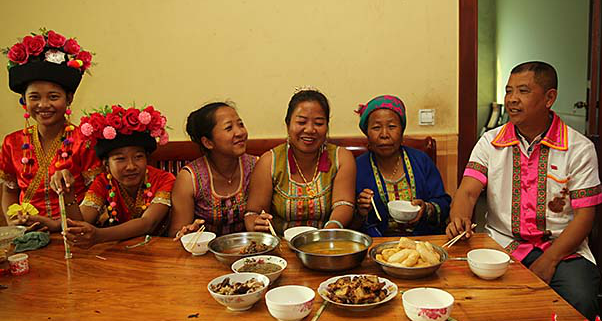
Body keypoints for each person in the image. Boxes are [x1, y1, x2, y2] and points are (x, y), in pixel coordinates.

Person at [446, 61, 602, 321]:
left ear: (549, 98)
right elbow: (468, 192)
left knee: (579, 299)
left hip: (563, 250)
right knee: (476, 299)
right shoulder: (490, 142)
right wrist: (458, 218)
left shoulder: (579, 148)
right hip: (502, 244)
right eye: (508, 91)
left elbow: (585, 217)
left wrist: (550, 260)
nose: (512, 100)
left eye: (523, 91)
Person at [0, 29, 101, 232]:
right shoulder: (12, 142)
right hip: (27, 231)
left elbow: (96, 194)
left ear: (69, 98)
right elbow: (10, 191)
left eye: (53, 97)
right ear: (24, 100)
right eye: (34, 97)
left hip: (75, 231)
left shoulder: (84, 140)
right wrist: (13, 220)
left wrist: (58, 224)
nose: (43, 105)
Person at [53, 105, 175, 248]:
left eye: (138, 157)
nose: (131, 166)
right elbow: (81, 224)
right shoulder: (104, 181)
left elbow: (148, 223)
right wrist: (68, 193)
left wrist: (99, 235)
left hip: (161, 250)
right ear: (106, 164)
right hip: (121, 251)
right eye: (120, 159)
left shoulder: (164, 179)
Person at [245, 89, 356, 234]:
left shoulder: (341, 157)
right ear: (288, 124)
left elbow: (343, 203)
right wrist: (256, 223)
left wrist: (329, 231)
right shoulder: (269, 162)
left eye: (319, 123)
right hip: (281, 244)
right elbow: (252, 213)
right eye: (301, 122)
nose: (310, 129)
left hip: (326, 240)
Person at [353, 95, 451, 237]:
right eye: (376, 127)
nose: (384, 134)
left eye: (392, 127)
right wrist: (360, 213)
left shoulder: (421, 160)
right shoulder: (357, 168)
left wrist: (427, 209)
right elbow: (349, 223)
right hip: (377, 244)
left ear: (402, 130)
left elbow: (443, 203)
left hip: (422, 242)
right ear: (367, 133)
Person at [170, 102, 257, 238]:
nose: (240, 132)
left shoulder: (256, 166)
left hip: (249, 247)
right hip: (205, 249)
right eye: (229, 128)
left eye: (240, 124)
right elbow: (175, 232)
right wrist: (187, 233)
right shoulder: (190, 178)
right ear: (208, 142)